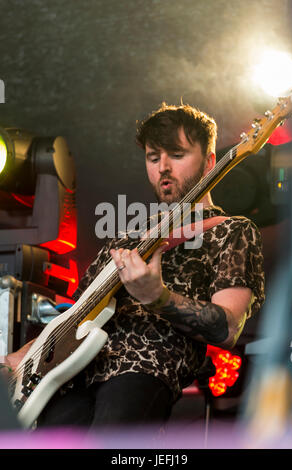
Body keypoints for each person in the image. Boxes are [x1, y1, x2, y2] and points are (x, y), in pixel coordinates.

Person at [1, 103, 265, 434]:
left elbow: (227, 329)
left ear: (210, 162)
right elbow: (71, 316)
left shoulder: (232, 231)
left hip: (143, 371)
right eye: (153, 158)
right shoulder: (129, 238)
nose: (163, 168)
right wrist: (18, 358)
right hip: (70, 375)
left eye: (177, 154)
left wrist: (157, 297)